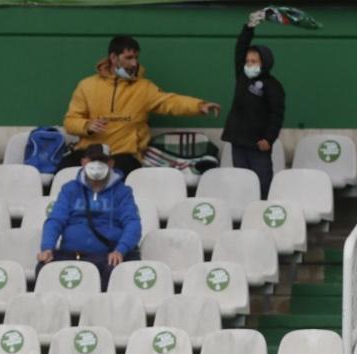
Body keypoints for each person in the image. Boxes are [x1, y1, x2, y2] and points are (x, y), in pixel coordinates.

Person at [60, 35, 221, 175]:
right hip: (90, 153)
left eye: (136, 58)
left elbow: (170, 102)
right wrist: (87, 125)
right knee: (63, 171)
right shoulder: (86, 85)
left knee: (116, 179)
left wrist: (199, 106)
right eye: (129, 58)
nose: (134, 63)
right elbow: (70, 122)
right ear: (114, 58)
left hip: (124, 155)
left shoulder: (144, 87)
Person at [38, 143, 142, 290]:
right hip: (71, 254)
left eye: (103, 161)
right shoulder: (70, 189)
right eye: (92, 160)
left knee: (114, 271)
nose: (97, 165)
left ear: (111, 164)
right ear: (83, 162)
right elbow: (55, 220)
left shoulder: (123, 192)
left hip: (106, 256)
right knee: (44, 267)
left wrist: (120, 250)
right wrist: (47, 247)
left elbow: (133, 223)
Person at [222, 11, 285, 198]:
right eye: (248, 61)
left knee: (262, 183)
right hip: (238, 140)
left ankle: (263, 214)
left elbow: (277, 115)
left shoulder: (273, 86)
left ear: (264, 63)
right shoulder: (242, 76)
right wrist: (249, 27)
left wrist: (269, 138)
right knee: (243, 182)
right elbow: (240, 48)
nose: (249, 64)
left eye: (254, 61)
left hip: (259, 144)